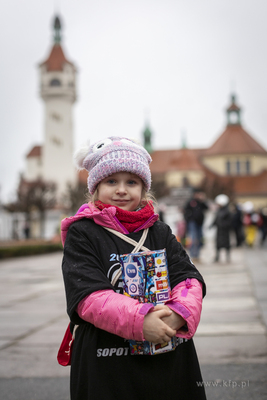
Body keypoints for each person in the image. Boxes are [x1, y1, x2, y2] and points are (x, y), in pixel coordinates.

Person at [60, 137, 206, 400]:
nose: (121, 190)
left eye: (131, 182)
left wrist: (178, 314)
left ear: (143, 188)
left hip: (166, 343)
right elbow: (88, 296)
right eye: (111, 181)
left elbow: (188, 278)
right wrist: (142, 321)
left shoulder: (158, 230)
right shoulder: (82, 233)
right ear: (96, 187)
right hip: (106, 356)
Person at [183, 189, 208, 262]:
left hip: (200, 223)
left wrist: (203, 200)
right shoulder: (191, 202)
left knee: (200, 239)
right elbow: (185, 211)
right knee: (193, 239)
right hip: (192, 223)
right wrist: (188, 219)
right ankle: (193, 255)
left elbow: (207, 208)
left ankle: (197, 255)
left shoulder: (200, 202)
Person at [210, 194, 232, 262]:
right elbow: (216, 219)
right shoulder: (219, 211)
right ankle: (217, 257)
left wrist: (223, 225)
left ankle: (227, 257)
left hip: (225, 231)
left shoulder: (227, 211)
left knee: (226, 244)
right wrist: (212, 225)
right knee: (218, 244)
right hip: (219, 231)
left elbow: (229, 221)